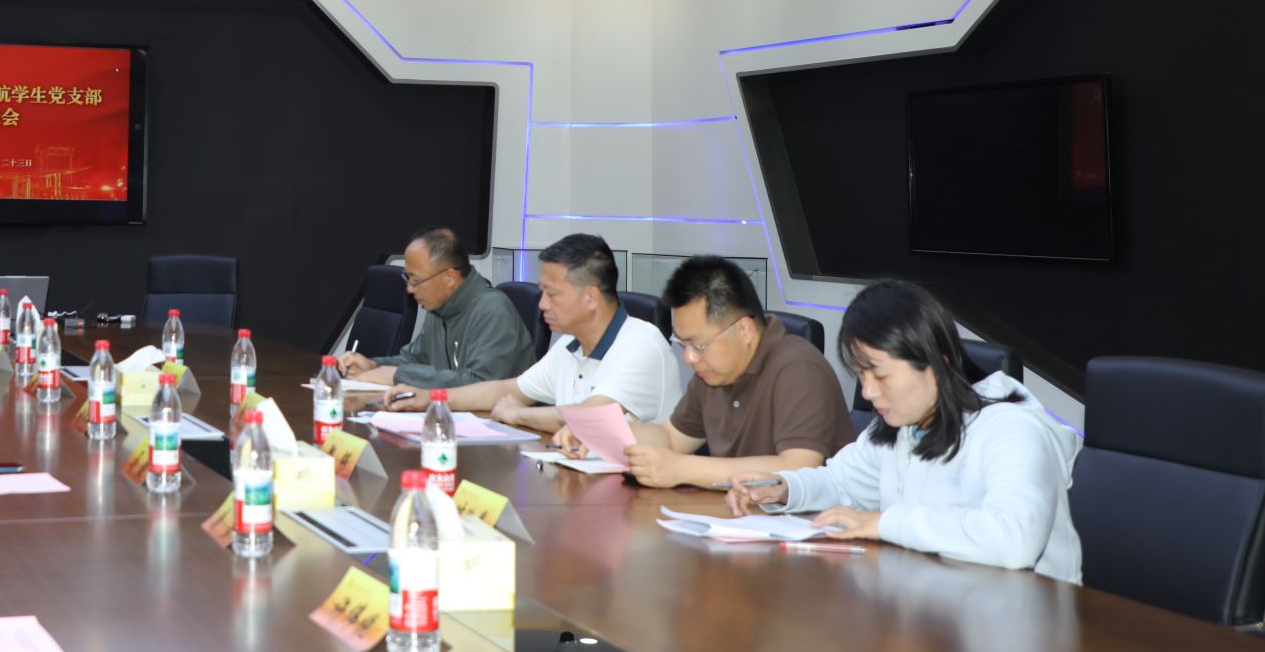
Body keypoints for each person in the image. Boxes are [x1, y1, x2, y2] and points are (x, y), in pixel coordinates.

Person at [728, 280, 1082, 582]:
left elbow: (1014, 539)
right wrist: (784, 488)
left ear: (936, 361)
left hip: (1026, 621)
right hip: (934, 607)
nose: (868, 392)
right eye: (861, 375)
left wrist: (884, 523)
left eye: (880, 375)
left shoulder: (1012, 430)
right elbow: (841, 484)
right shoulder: (902, 425)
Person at [383, 233, 679, 429]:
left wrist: (519, 414)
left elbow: (591, 418)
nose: (542, 304)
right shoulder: (570, 345)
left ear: (591, 297)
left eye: (552, 293)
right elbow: (507, 389)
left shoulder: (641, 344)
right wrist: (431, 398)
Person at [607, 256, 855, 486]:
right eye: (682, 344)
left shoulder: (798, 369)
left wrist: (683, 469)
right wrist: (608, 435)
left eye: (698, 345)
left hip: (807, 518)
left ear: (744, 330)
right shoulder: (712, 373)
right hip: (734, 513)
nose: (688, 358)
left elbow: (798, 467)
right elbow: (670, 439)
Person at [336, 227, 535, 390]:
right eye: (408, 278)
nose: (409, 288)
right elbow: (416, 358)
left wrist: (399, 376)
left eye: (416, 280)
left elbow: (480, 384)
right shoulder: (439, 306)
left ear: (449, 277)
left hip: (499, 422)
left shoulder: (493, 311)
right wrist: (374, 365)